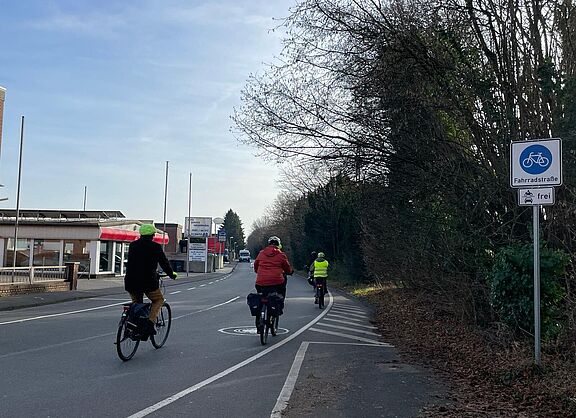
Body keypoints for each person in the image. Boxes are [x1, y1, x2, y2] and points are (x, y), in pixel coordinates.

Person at [124, 224, 177, 337]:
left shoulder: (133, 245)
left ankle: (134, 327)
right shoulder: (155, 247)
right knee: (158, 300)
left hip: (131, 281)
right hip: (148, 282)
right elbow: (164, 262)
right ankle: (150, 324)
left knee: (137, 305)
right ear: (152, 235)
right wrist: (171, 274)